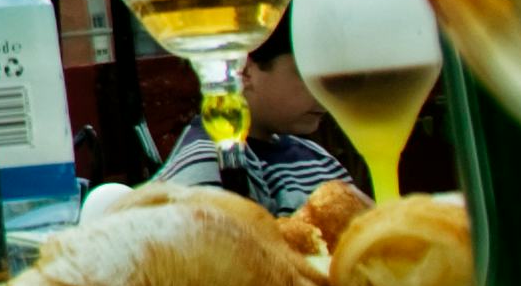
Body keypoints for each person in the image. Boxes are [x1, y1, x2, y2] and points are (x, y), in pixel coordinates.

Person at [148, 30, 365, 216]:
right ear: (244, 70)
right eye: (306, 73)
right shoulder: (210, 163)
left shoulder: (318, 158)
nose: (324, 91)